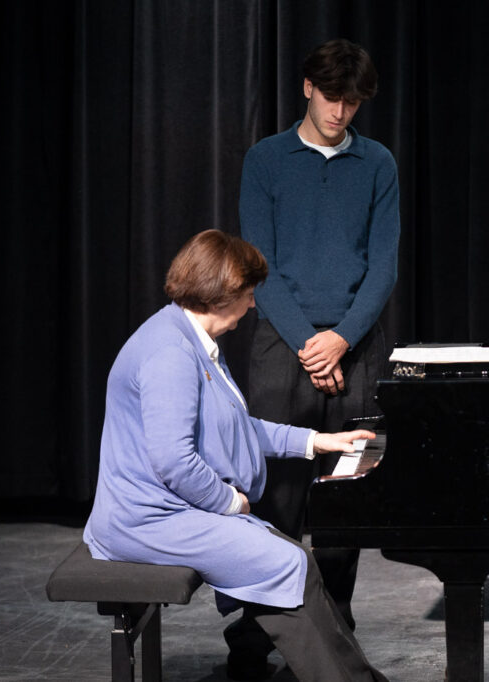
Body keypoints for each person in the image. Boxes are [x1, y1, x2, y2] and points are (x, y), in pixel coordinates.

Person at [83, 229, 388, 682]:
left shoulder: (190, 339)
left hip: (172, 513)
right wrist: (230, 503)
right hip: (145, 520)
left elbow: (234, 427)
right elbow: (174, 462)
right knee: (284, 562)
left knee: (293, 558)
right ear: (221, 293)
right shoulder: (170, 353)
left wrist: (317, 441)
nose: (252, 304)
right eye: (248, 294)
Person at [239, 37, 400, 635]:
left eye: (352, 102)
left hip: (357, 347)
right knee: (276, 496)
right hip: (284, 345)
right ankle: (262, 631)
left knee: (345, 495)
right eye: (332, 97)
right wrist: (313, 345)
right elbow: (259, 267)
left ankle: (335, 629)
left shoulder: (377, 163)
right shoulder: (267, 159)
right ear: (308, 88)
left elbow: (383, 267)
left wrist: (342, 340)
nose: (340, 111)